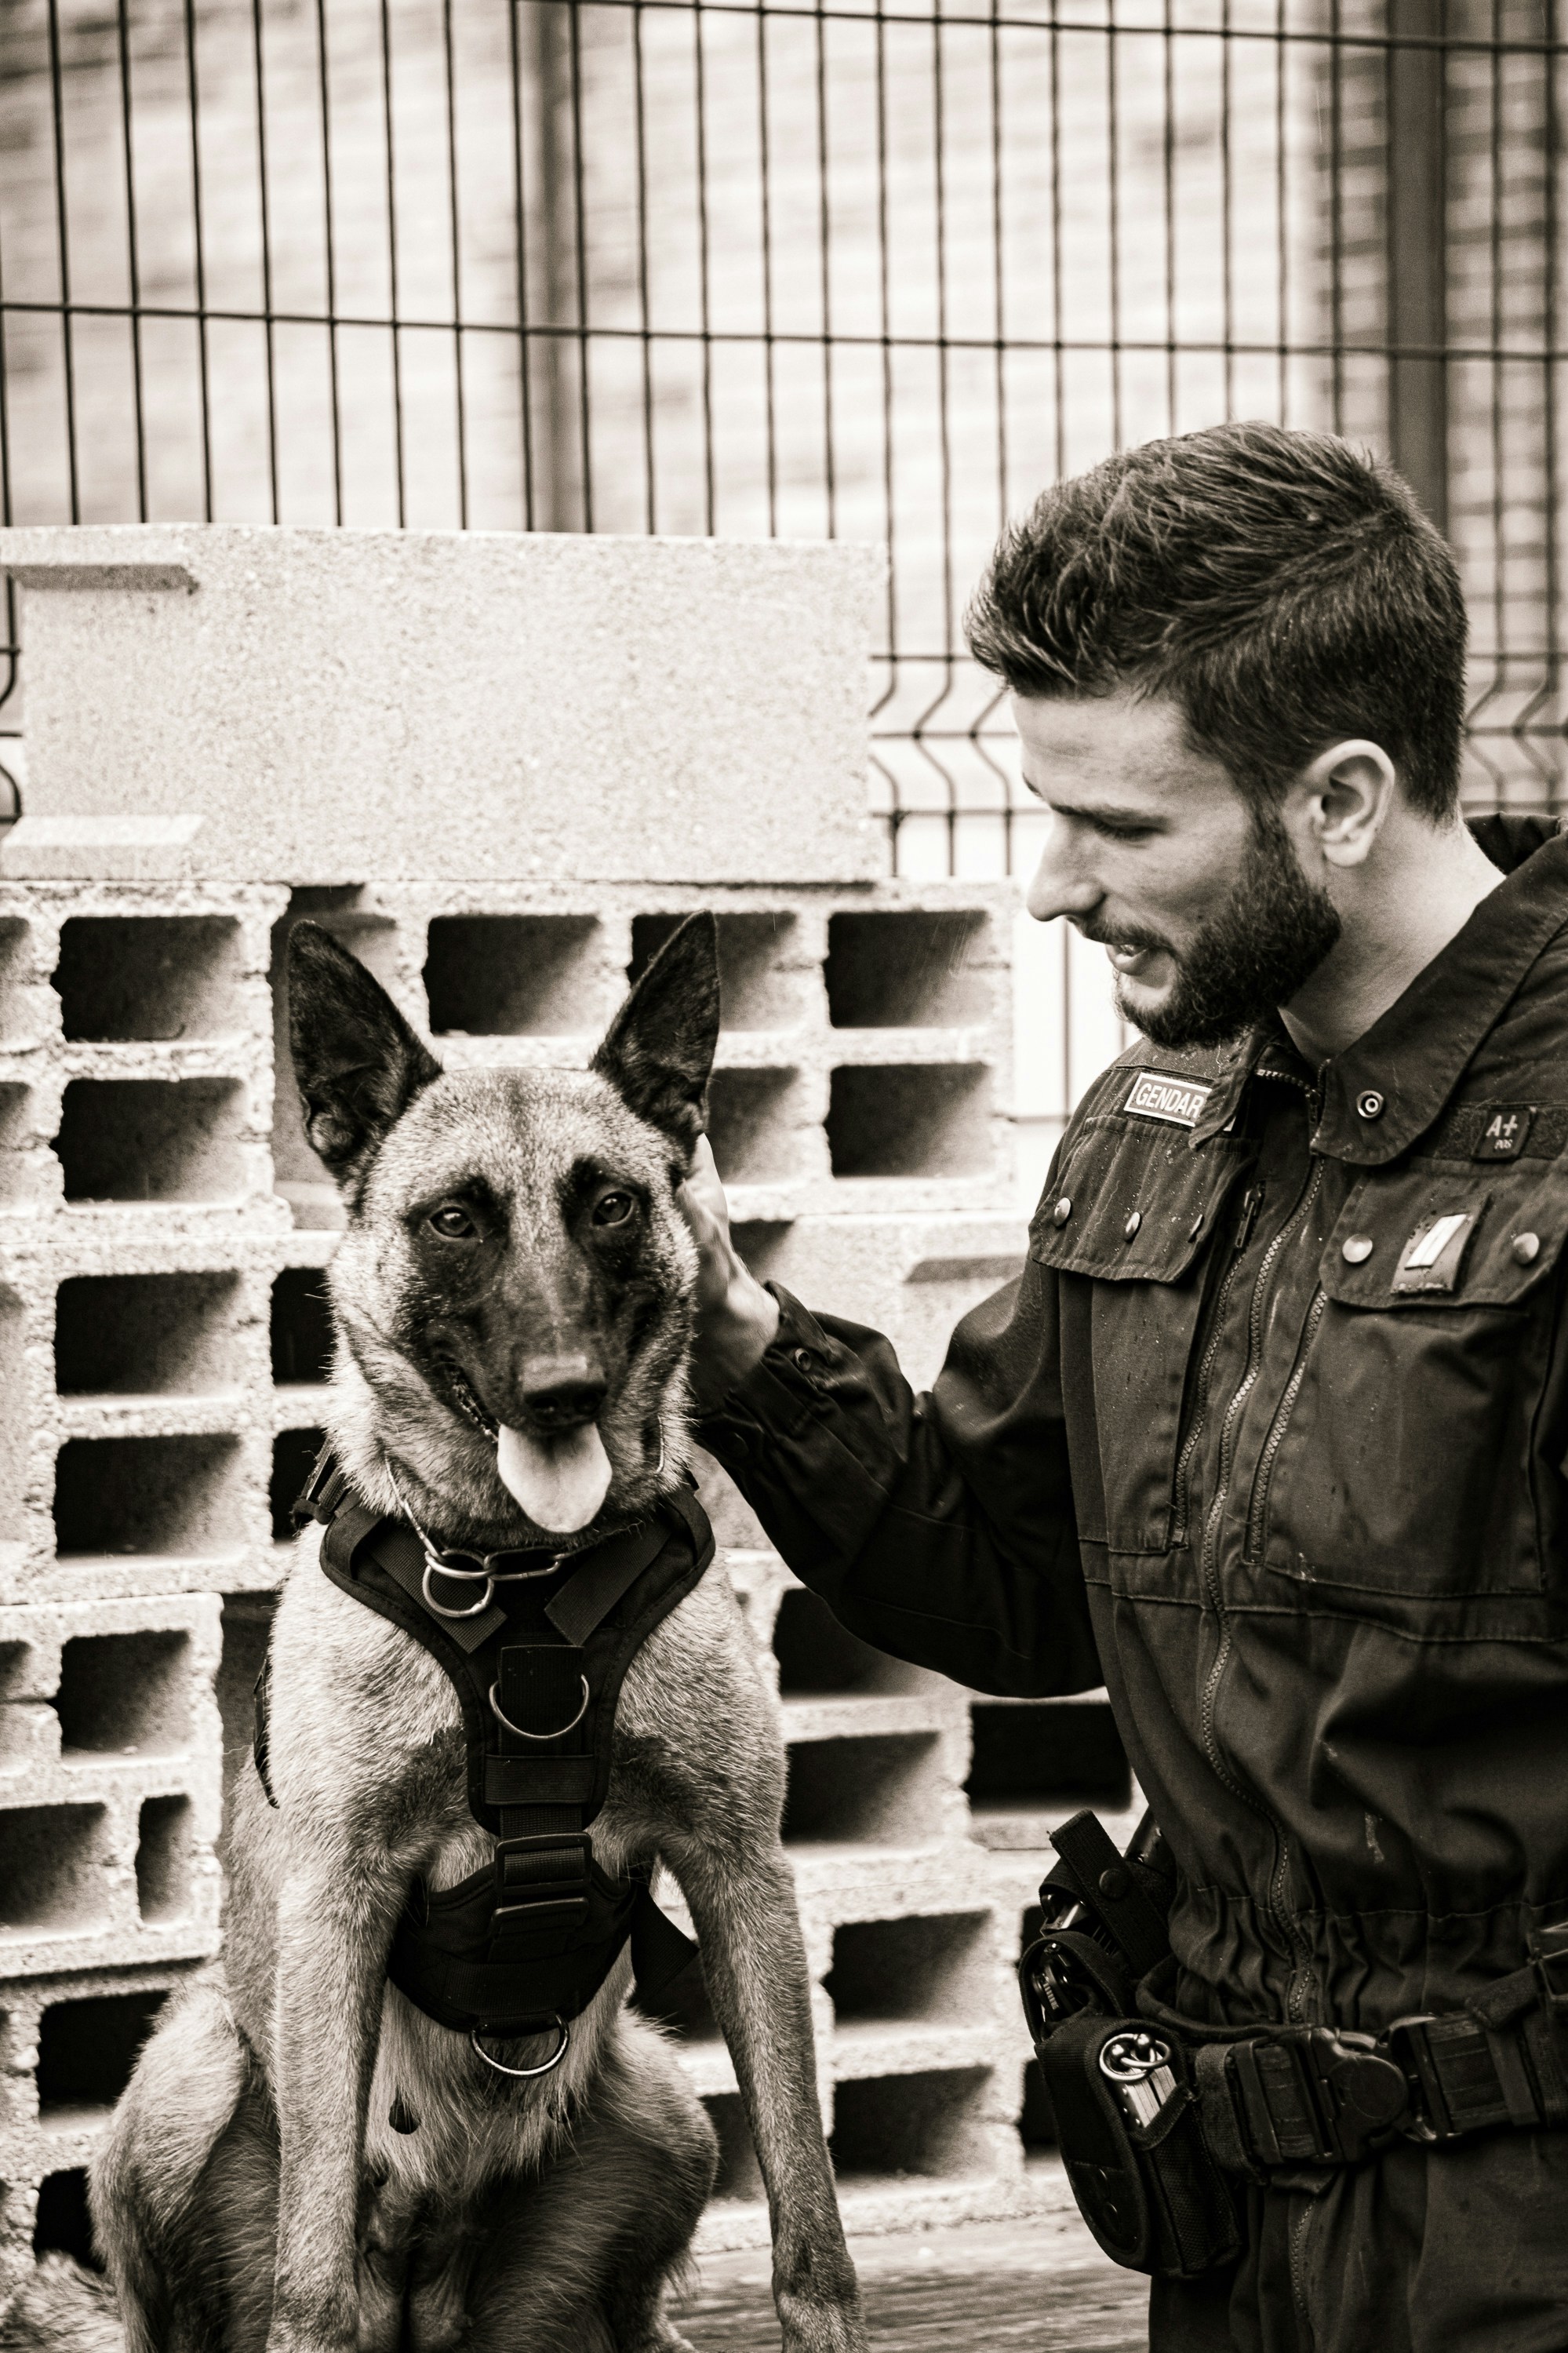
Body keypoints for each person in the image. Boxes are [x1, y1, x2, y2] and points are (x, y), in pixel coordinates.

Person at [679, 419, 1568, 2353]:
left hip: (1519, 2221)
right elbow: (1009, 1581)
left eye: (1121, 825)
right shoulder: (1161, 1118)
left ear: (1339, 794)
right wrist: (738, 1343)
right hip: (1226, 2216)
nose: (1053, 885)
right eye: (1045, 806)